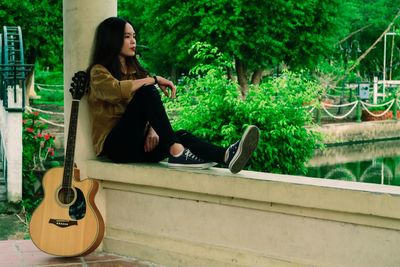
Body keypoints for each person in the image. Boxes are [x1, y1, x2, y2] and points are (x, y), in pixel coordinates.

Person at [86, 17, 259, 174]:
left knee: (181, 135)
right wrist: (154, 80)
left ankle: (227, 155)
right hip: (116, 147)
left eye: (134, 36)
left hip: (139, 145)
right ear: (112, 39)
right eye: (126, 37)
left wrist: (152, 130)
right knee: (148, 90)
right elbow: (116, 90)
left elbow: (149, 110)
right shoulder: (98, 72)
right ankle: (177, 151)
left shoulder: (136, 72)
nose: (133, 41)